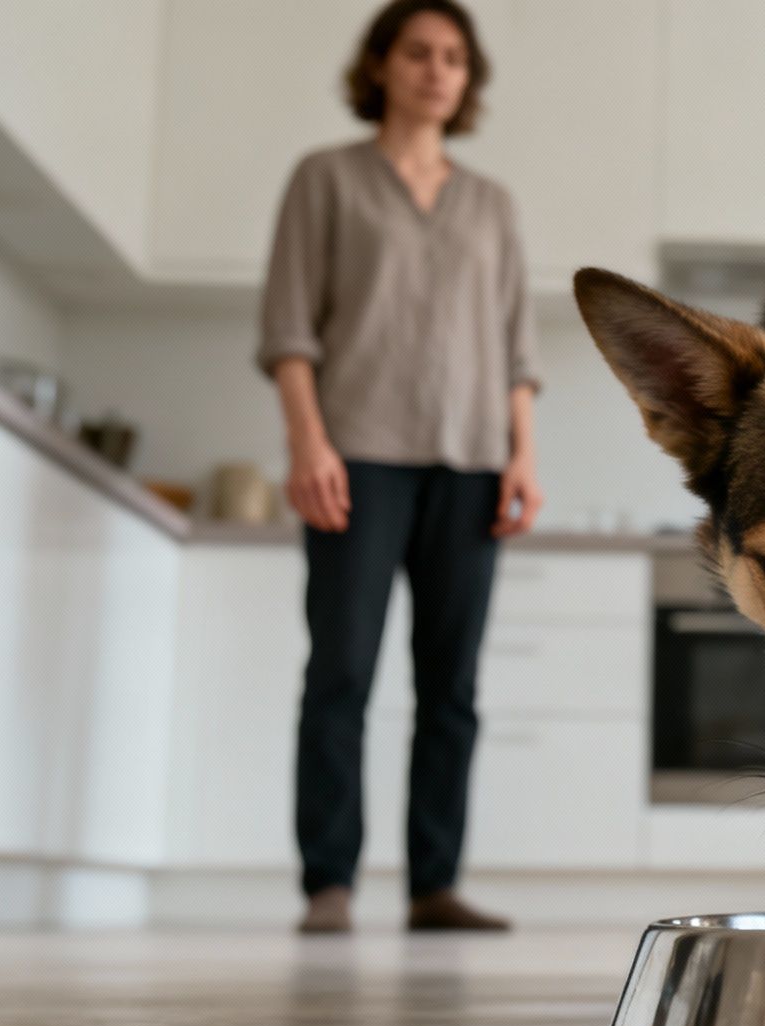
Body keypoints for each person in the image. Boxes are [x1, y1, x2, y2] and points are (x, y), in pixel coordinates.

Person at [256, 0, 544, 934]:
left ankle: (433, 886)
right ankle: (328, 884)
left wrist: (521, 456)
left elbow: (516, 351)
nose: (436, 70)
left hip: (470, 464)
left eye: (454, 58)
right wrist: (308, 444)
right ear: (381, 66)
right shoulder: (325, 180)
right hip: (358, 460)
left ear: (468, 80)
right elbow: (290, 331)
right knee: (341, 672)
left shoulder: (492, 203)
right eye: (418, 52)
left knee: (450, 690)